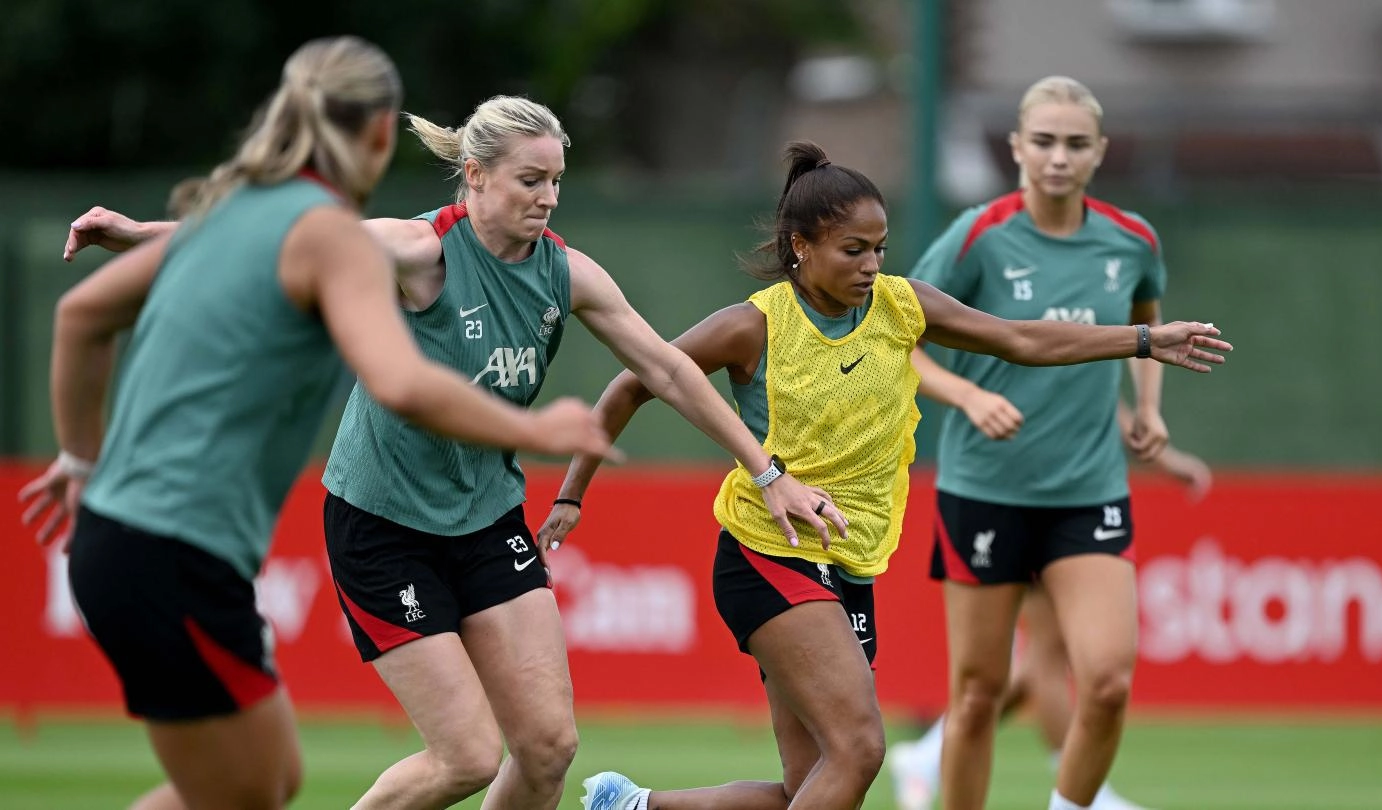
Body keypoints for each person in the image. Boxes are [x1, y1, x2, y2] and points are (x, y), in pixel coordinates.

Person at [58, 96, 845, 810]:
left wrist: (765, 470)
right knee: (466, 757)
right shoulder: (418, 252)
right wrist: (139, 235)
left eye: (557, 181)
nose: (547, 198)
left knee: (547, 750)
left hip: (484, 521)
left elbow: (668, 368)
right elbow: (277, 242)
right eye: (530, 180)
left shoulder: (565, 273)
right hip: (382, 527)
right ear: (474, 175)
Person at [536, 140, 1230, 810]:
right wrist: (573, 493)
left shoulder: (902, 306)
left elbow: (1021, 337)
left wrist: (1141, 339)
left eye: (879, 248)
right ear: (801, 247)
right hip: (768, 555)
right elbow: (631, 385)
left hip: (851, 563)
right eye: (853, 249)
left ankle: (631, 805)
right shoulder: (754, 327)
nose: (872, 265)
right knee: (862, 750)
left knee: (810, 789)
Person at [16, 38, 617, 810]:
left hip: (149, 547)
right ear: (378, 136)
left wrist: (78, 454)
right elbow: (400, 383)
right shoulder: (331, 233)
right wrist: (541, 433)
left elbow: (82, 312)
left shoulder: (262, 213)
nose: (547, 196)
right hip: (170, 551)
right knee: (273, 782)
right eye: (533, 178)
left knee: (258, 786)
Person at [900, 74, 1199, 810]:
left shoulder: (1131, 241)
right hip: (984, 488)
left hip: (1088, 490)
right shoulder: (977, 235)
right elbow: (896, 340)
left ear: (1098, 153)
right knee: (978, 693)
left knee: (1106, 679)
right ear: (1016, 148)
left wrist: (1150, 410)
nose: (1058, 157)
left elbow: (1144, 330)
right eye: (1043, 141)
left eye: (1074, 143)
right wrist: (969, 394)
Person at [888, 402, 1213, 810]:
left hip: (1071, 488)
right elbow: (1048, 364)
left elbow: (1085, 380)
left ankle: (927, 757)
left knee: (1038, 662)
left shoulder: (1088, 354)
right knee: (1041, 657)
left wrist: (1154, 437)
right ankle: (1084, 796)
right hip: (1014, 487)